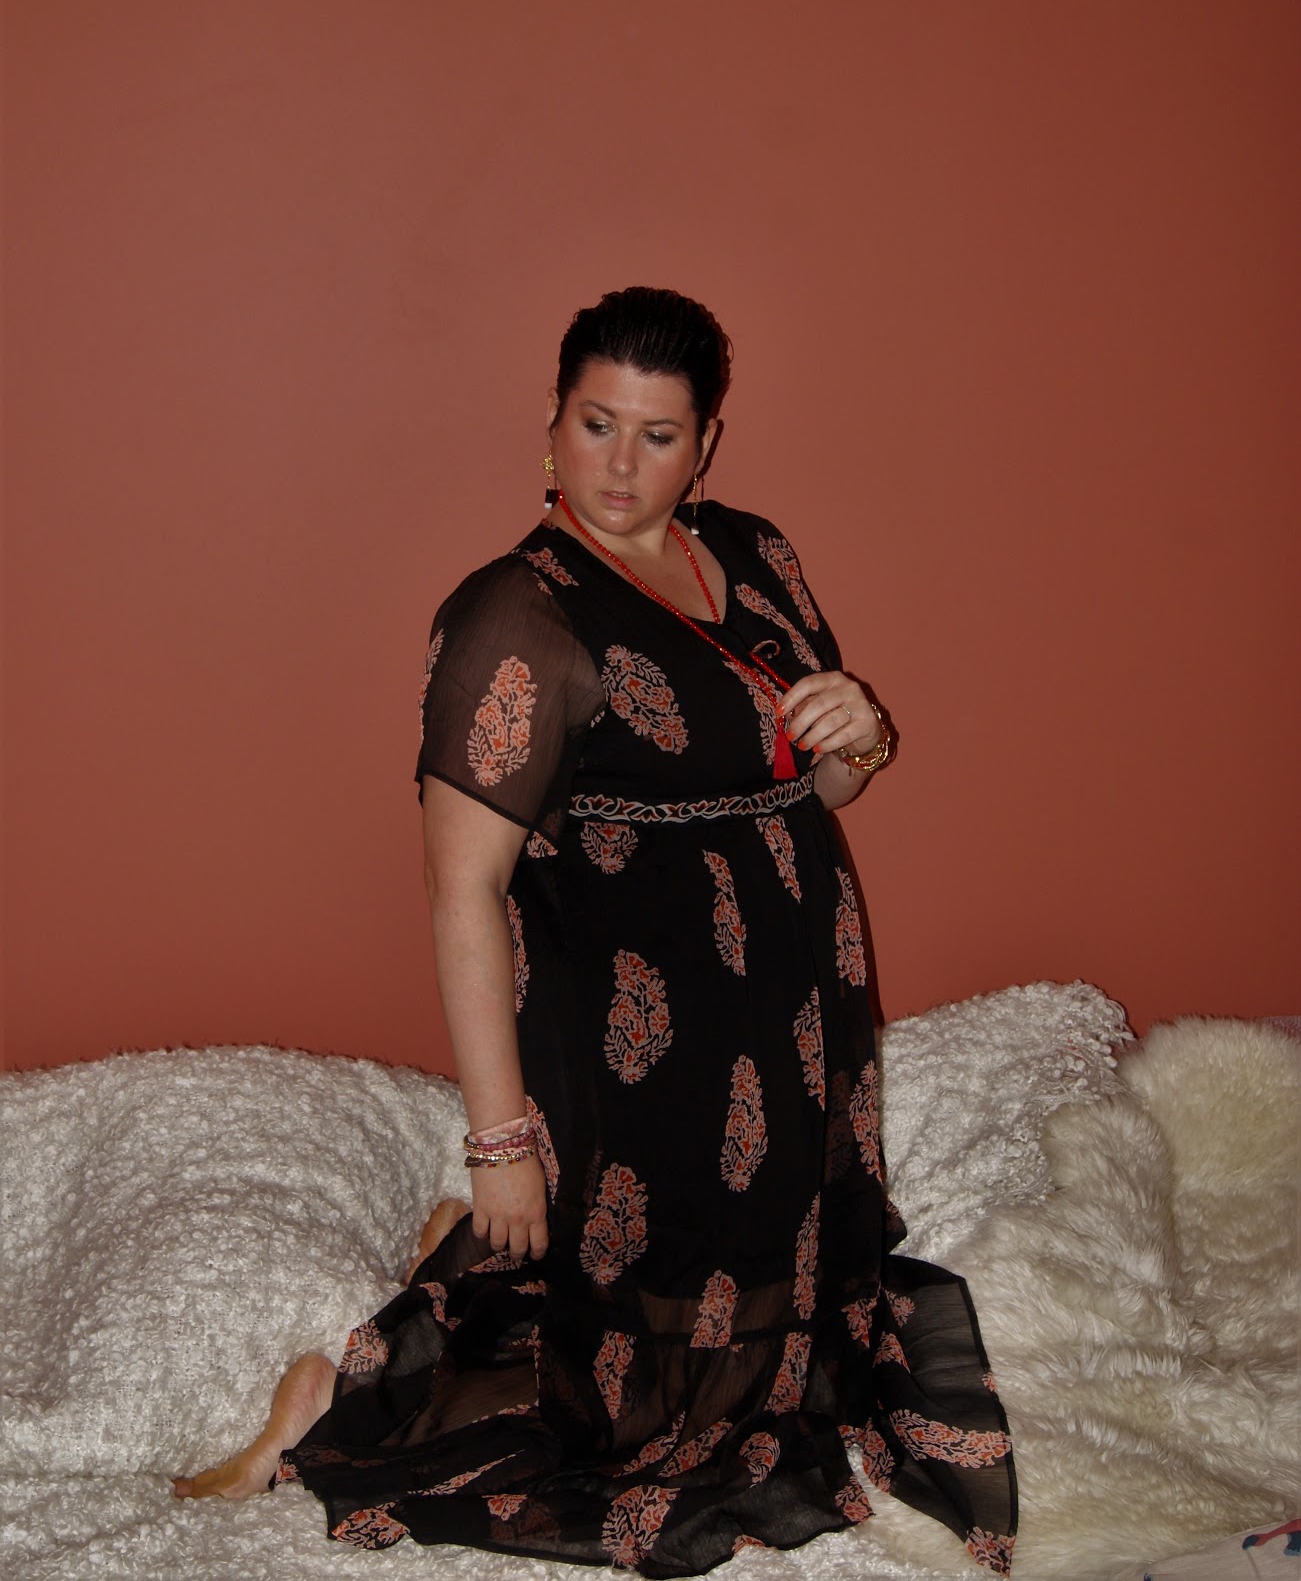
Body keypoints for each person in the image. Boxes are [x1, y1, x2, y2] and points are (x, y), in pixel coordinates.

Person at [174, 287, 1017, 1577]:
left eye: (658, 435)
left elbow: (821, 785)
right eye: (596, 423)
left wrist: (862, 731)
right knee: (632, 1409)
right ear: (552, 423)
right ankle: (344, 1403)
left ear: (707, 443)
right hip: (638, 1044)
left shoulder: (758, 556)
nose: (621, 466)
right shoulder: (517, 612)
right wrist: (500, 1140)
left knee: (774, 1311)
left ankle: (434, 1309)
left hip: (796, 1015)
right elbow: (461, 890)